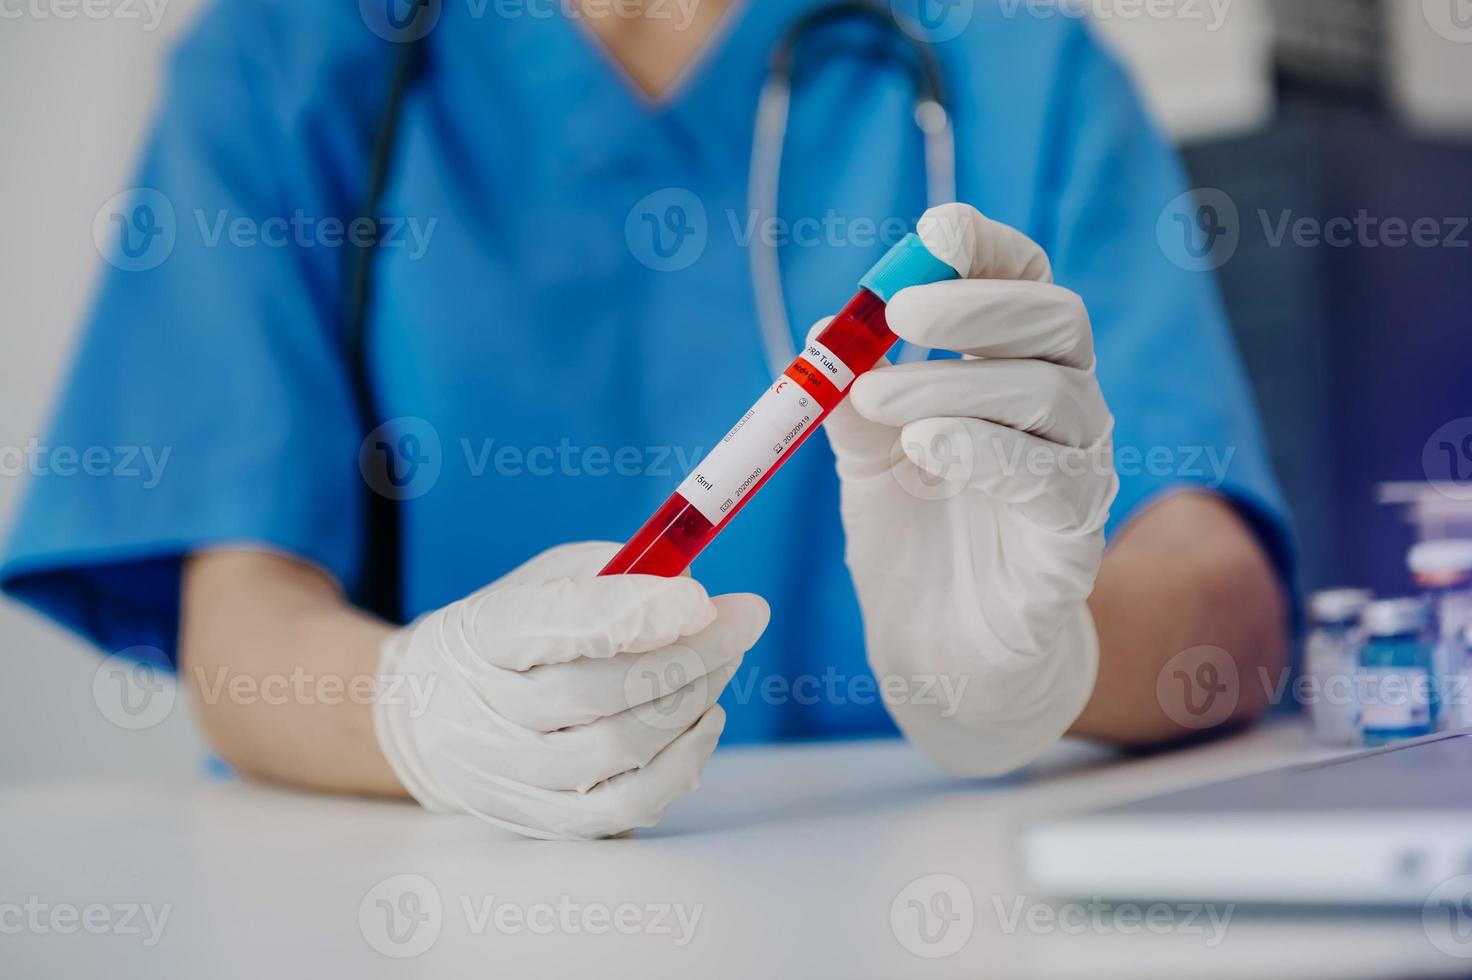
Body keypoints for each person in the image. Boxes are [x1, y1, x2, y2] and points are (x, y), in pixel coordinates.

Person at [2, 0, 1291, 838]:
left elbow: (1226, 594)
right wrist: (416, 707)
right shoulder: (289, 61)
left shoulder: (1015, 65)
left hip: (932, 898)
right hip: (434, 901)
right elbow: (235, 630)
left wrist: (1037, 664)